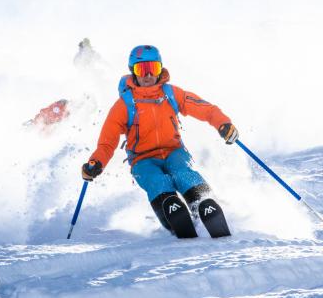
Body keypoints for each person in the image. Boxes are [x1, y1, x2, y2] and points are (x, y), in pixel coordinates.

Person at [81, 45, 238, 238]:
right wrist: (96, 163)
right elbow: (107, 142)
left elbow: (204, 108)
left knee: (183, 173)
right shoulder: (124, 104)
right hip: (142, 159)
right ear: (133, 72)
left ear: (160, 69)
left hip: (174, 152)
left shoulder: (171, 93)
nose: (147, 75)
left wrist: (223, 124)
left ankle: (204, 203)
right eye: (141, 69)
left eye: (152, 69)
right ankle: (172, 211)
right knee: (156, 180)